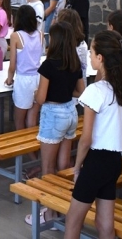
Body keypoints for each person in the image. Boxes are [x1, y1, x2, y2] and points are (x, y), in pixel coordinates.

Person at [64, 31, 122, 239]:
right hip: (114, 161)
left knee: (73, 220)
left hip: (95, 162)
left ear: (100, 57)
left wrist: (77, 167)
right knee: (105, 222)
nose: (89, 55)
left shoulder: (96, 91)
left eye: (91, 52)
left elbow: (86, 139)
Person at [27, 21, 85, 227]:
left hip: (53, 114)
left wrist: (37, 93)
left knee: (48, 167)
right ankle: (64, 206)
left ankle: (50, 212)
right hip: (70, 112)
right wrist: (64, 91)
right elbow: (81, 91)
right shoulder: (75, 63)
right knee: (63, 165)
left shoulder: (49, 65)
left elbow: (41, 98)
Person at [5, 5, 43, 131]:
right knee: (32, 119)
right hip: (38, 78)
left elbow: (12, 65)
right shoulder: (40, 34)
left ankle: (21, 142)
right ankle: (32, 143)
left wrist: (9, 80)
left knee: (19, 119)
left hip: (23, 80)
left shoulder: (16, 36)